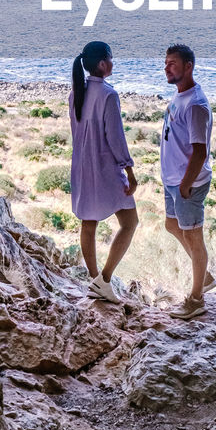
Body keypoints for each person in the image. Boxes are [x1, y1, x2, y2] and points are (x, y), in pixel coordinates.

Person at [69, 40, 138, 303]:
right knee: (130, 223)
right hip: (105, 168)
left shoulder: (76, 92)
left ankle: (94, 278)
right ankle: (105, 279)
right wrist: (130, 172)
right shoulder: (109, 95)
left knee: (89, 222)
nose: (113, 62)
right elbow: (116, 139)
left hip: (82, 165)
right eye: (111, 58)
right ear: (102, 63)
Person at [161, 42, 216, 319]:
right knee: (172, 225)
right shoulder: (180, 96)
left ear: (188, 66)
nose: (166, 68)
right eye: (166, 63)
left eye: (172, 63)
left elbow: (199, 151)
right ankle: (203, 274)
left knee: (194, 238)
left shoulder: (196, 104)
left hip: (187, 182)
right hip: (173, 180)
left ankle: (196, 299)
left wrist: (185, 184)